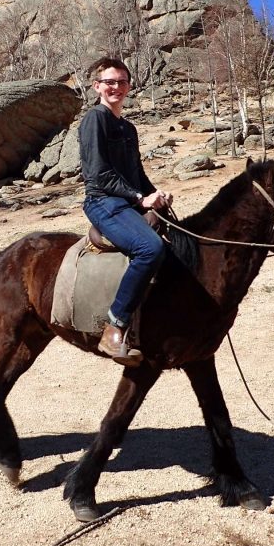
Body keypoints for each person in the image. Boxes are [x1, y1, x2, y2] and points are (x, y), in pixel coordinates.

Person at [78, 56, 173, 365]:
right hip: (103, 202)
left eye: (121, 82)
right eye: (109, 82)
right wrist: (139, 197)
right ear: (97, 87)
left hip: (128, 200)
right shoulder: (96, 119)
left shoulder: (128, 128)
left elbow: (137, 174)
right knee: (149, 247)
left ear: (129, 86)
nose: (115, 87)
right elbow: (98, 175)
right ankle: (114, 327)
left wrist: (154, 193)